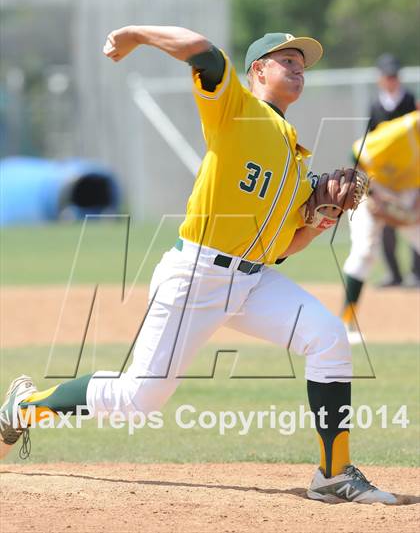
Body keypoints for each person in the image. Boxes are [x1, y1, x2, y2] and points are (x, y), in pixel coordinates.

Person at [0, 26, 396, 504]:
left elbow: (279, 249)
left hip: (252, 281)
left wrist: (317, 222)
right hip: (197, 276)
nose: (297, 69)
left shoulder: (295, 163)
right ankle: (24, 407)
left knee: (329, 337)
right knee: (135, 401)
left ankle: (333, 475)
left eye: (301, 64)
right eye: (285, 60)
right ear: (258, 71)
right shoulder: (238, 110)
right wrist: (134, 35)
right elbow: (202, 52)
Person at [342, 111, 420, 344]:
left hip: (405, 195)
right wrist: (374, 196)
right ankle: (346, 322)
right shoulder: (403, 130)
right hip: (372, 190)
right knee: (364, 251)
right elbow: (355, 155)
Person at [369, 54, 418, 288]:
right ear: (380, 78)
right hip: (385, 176)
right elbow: (370, 140)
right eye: (387, 76)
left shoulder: (409, 100)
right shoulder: (376, 105)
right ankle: (394, 274)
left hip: (409, 172)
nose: (391, 80)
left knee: (414, 220)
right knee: (387, 222)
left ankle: (416, 274)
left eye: (395, 76)